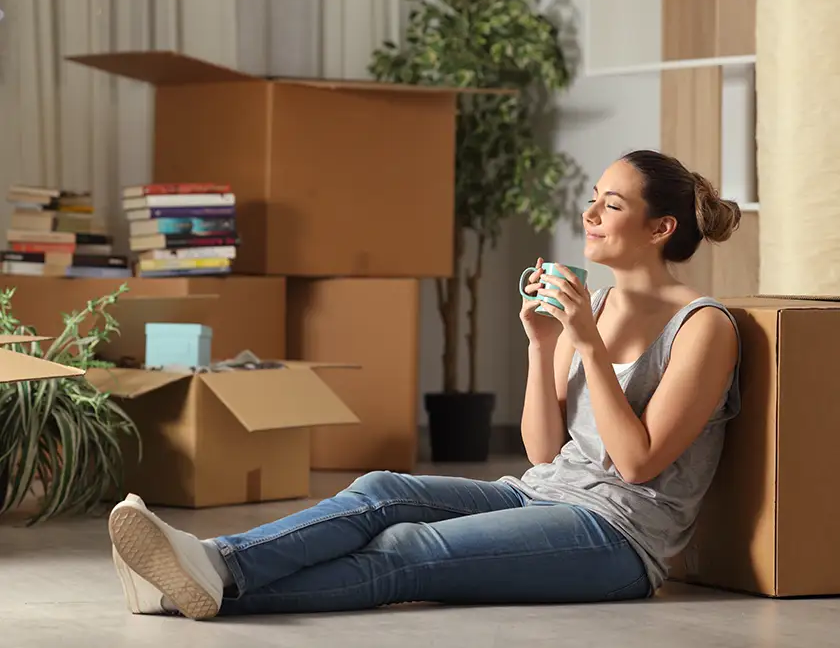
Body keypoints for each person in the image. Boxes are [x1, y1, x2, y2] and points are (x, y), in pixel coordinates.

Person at [107, 149, 742, 620]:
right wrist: (541, 344)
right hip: (542, 494)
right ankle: (209, 564)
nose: (591, 212)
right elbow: (543, 453)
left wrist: (585, 344)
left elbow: (634, 463)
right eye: (595, 196)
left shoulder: (703, 327)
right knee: (383, 491)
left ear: (660, 229)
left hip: (619, 538)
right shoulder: (595, 307)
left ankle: (183, 587)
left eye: (613, 203)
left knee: (406, 550)